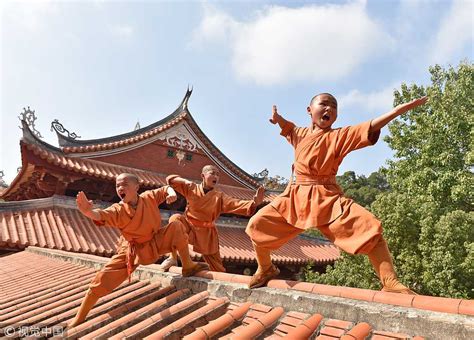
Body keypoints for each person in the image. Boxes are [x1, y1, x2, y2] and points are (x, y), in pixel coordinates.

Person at [246, 93, 427, 292]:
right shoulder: (300, 135)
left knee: (369, 228)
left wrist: (397, 111)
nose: (329, 109)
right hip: (294, 198)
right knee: (257, 225)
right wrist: (278, 119)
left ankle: (389, 281)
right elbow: (288, 128)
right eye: (323, 104)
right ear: (309, 110)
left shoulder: (339, 136)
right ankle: (265, 268)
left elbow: (370, 126)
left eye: (334, 107)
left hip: (327, 198)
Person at [68, 173, 208, 327]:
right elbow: (100, 215)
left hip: (155, 242)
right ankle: (80, 317)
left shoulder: (148, 197)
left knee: (176, 224)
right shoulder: (118, 210)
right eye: (117, 186)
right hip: (132, 251)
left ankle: (188, 266)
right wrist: (87, 212)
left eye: (124, 184)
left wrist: (171, 192)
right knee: (100, 281)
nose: (120, 188)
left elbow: (166, 189)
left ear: (136, 187)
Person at [159, 165, 265, 272]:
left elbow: (235, 203)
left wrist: (254, 203)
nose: (216, 177)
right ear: (203, 176)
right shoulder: (192, 188)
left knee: (217, 267)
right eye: (212, 173)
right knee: (175, 219)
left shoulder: (220, 197)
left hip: (207, 233)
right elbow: (171, 180)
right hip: (189, 226)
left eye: (218, 175)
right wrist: (185, 181)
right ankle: (172, 257)